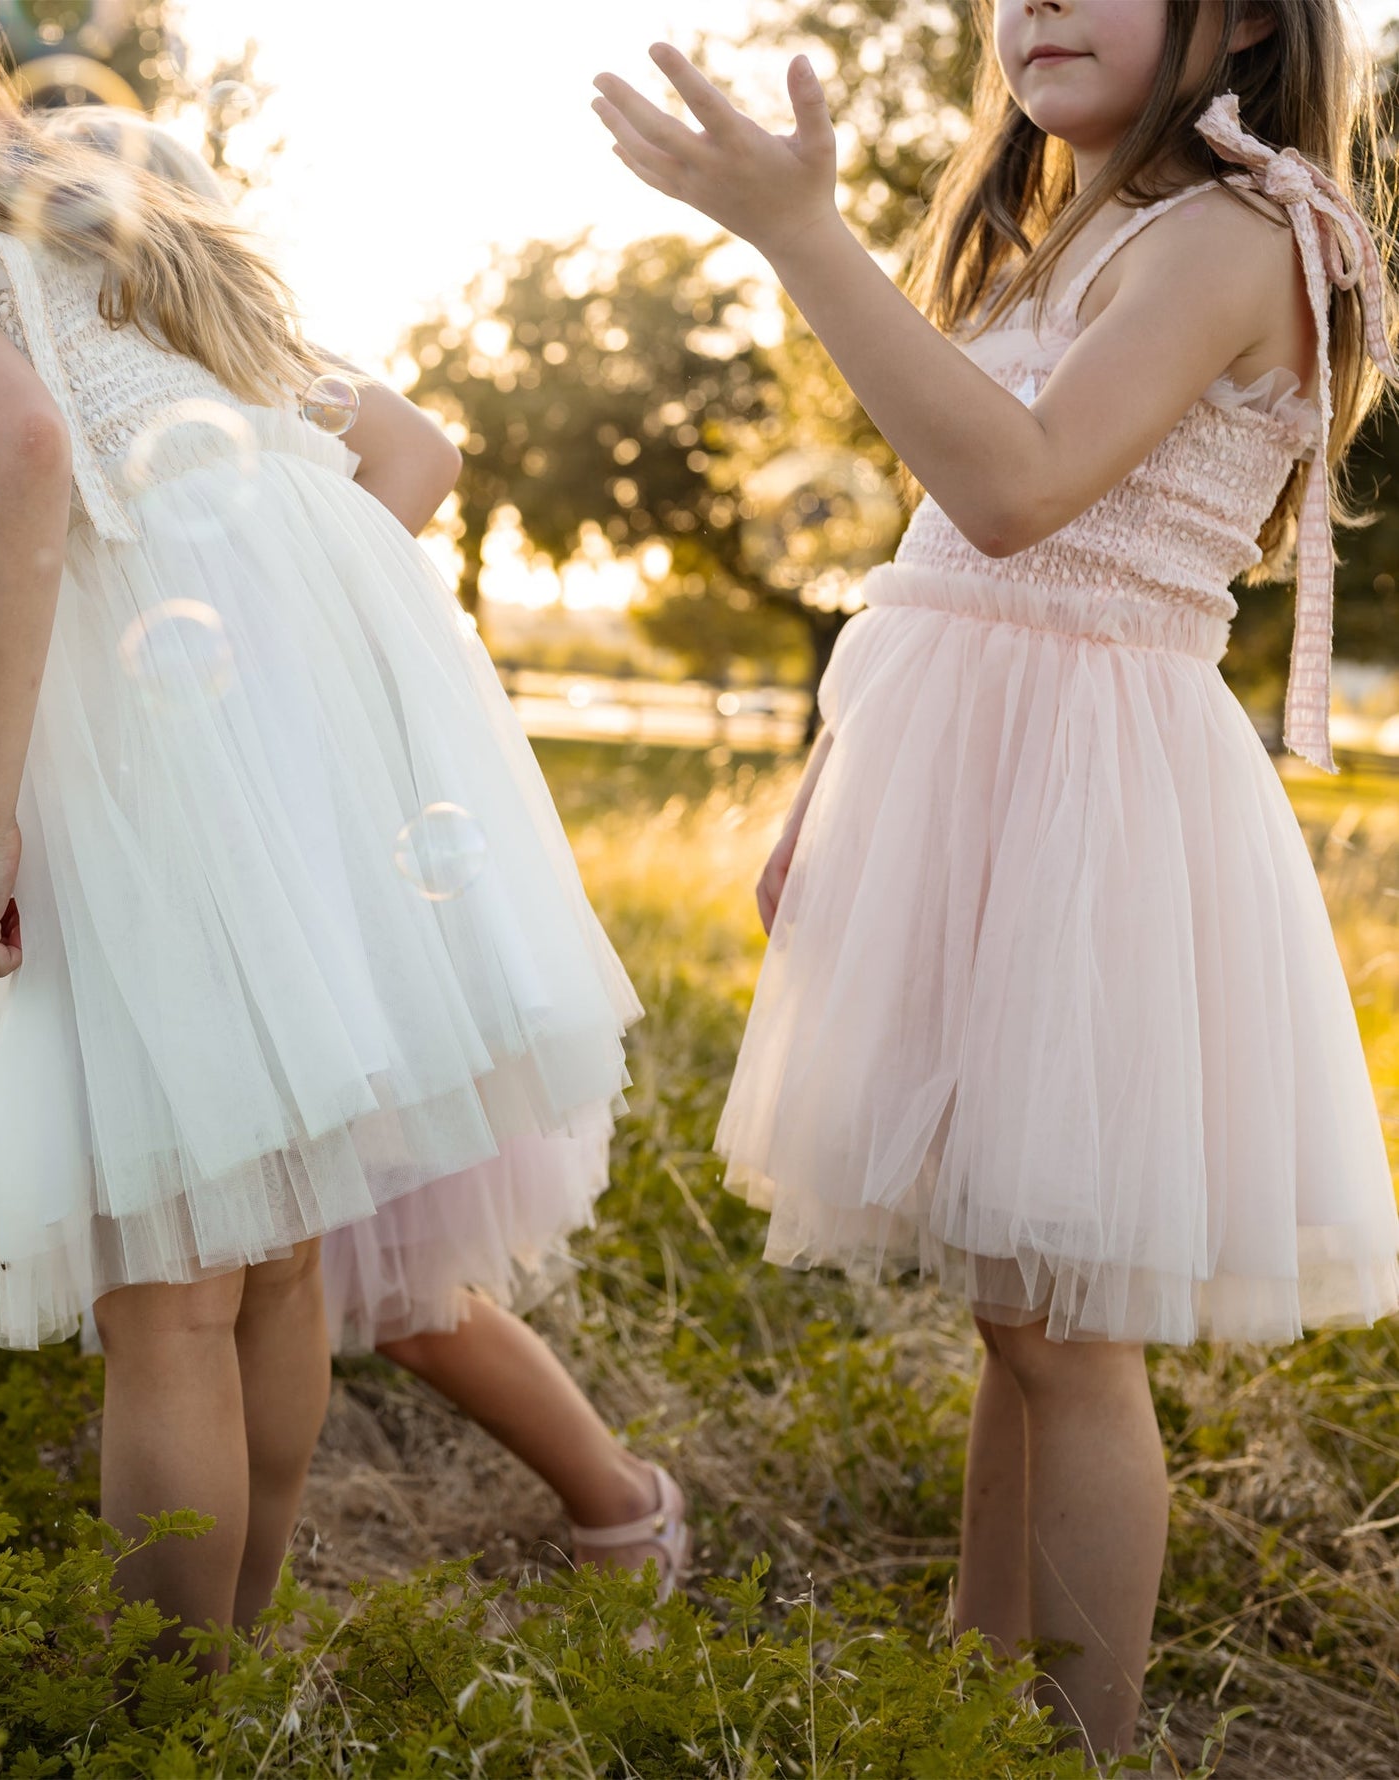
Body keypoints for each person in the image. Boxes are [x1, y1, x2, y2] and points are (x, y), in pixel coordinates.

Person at [0, 0, 664, 1672]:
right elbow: (398, 455)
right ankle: (230, 1655)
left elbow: (19, 450)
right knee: (263, 1263)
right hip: (273, 728)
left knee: (166, 1288)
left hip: (138, 745)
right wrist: (266, 672)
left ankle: (164, 1705)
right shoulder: (62, 192)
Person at [594, 0, 1399, 1759]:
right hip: (981, 782)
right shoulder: (1077, 231)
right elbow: (934, 547)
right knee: (1015, 1309)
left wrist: (800, 230)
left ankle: (1081, 1738)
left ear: (1248, 13)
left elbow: (1018, 487)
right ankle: (974, 1694)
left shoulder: (1235, 234)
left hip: (1093, 804)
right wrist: (834, 787)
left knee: (1070, 1329)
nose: (1033, 3)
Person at [36, 104, 692, 1606]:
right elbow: (420, 452)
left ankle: (610, 1501)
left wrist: (279, 632)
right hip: (310, 833)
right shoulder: (243, 361)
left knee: (308, 1275)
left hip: (241, 836)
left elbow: (415, 453)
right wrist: (304, 628)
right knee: (308, 1266)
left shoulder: (122, 369)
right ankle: (272, 1615)